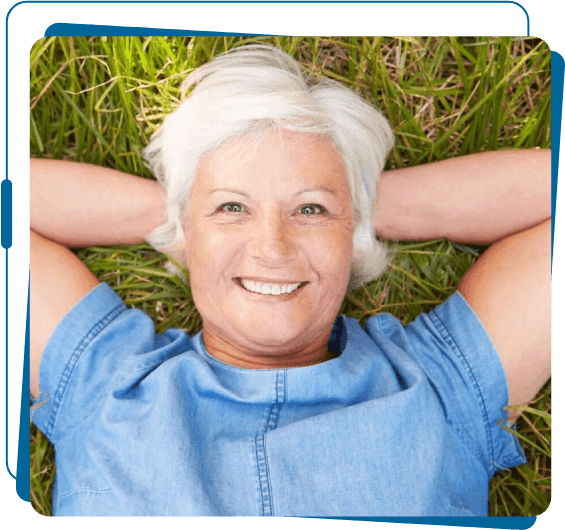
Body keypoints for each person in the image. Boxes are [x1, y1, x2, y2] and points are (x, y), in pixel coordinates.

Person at [29, 44, 551, 517]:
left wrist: (356, 206)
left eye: (310, 210)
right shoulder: (103, 381)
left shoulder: (442, 391)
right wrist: (181, 218)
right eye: (232, 207)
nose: (272, 247)